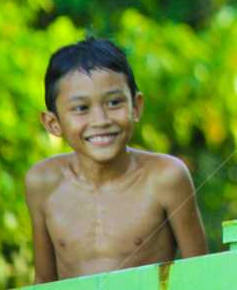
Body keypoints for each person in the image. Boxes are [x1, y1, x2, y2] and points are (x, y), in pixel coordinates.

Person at [24, 38, 207, 283]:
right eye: (81, 108)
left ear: (136, 107)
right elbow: (44, 281)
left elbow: (201, 275)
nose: (101, 120)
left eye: (114, 103)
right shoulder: (43, 182)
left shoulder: (166, 177)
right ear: (53, 123)